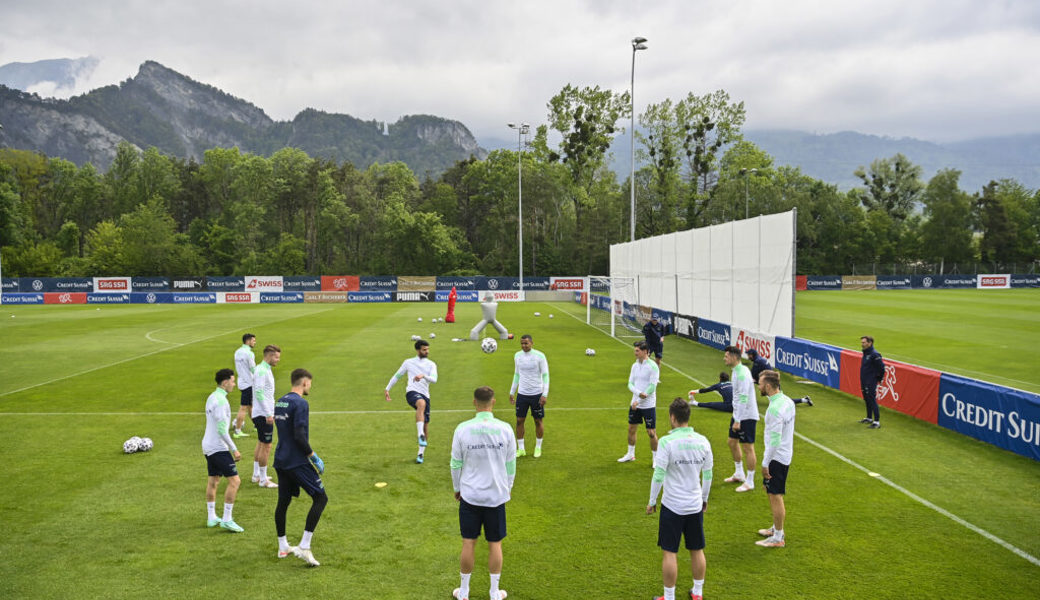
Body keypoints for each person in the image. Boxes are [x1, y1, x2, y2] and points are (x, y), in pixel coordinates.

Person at [451, 386, 516, 600]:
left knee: (468, 542)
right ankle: (494, 593)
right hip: (496, 496)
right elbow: (510, 465)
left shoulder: (462, 429)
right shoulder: (505, 429)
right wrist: (507, 488)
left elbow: (455, 463)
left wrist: (457, 488)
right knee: (495, 543)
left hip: (470, 496)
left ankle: (464, 592)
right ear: (493, 402)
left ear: (474, 403)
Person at [647, 398, 713, 600]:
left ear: (672, 417)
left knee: (669, 552)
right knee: (697, 549)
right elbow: (708, 474)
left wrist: (652, 501)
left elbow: (659, 475)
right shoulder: (703, 441)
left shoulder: (666, 442)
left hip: (672, 506)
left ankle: (669, 597)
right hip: (694, 505)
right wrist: (704, 499)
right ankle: (698, 593)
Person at [273, 368, 327, 566]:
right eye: (310, 383)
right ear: (304, 382)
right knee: (320, 498)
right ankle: (304, 546)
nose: (310, 386)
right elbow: (299, 435)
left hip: (281, 458)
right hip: (296, 461)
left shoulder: (280, 401)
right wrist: (313, 456)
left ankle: (283, 546)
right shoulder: (301, 403)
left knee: (283, 501)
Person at [755, 369, 795, 548]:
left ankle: (778, 537)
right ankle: (776, 528)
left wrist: (765, 463)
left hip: (776, 458)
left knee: (775, 495)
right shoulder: (787, 401)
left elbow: (775, 440)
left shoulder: (774, 409)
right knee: (771, 492)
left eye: (760, 384)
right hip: (785, 454)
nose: (758, 387)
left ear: (768, 386)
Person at [203, 368, 244, 533]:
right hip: (218, 447)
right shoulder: (221, 401)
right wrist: (234, 449)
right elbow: (221, 430)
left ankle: (212, 517)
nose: (234, 384)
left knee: (214, 481)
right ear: (225, 382)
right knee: (235, 481)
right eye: (233, 381)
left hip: (207, 446)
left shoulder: (212, 397)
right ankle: (227, 519)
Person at [385, 339, 438, 464]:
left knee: (426, 425)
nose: (427, 351)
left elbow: (434, 379)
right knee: (421, 403)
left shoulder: (431, 364)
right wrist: (387, 388)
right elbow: (397, 375)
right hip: (412, 392)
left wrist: (423, 376)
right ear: (418, 350)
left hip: (426, 394)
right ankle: (420, 434)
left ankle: (420, 454)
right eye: (424, 350)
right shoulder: (408, 362)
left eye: (428, 349)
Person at [618, 340, 661, 465]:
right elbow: (630, 384)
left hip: (648, 405)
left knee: (651, 433)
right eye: (635, 350)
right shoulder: (634, 366)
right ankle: (630, 454)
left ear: (645, 351)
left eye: (637, 350)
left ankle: (656, 459)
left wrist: (639, 400)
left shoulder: (653, 367)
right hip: (635, 404)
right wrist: (637, 397)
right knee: (631, 429)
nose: (635, 353)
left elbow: (652, 387)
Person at [508, 334, 549, 458]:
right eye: (522, 343)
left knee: (538, 421)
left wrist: (544, 394)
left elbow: (545, 375)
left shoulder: (540, 356)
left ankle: (538, 447)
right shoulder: (517, 356)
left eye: (526, 343)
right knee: (519, 420)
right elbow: (516, 374)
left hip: (537, 394)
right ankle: (521, 449)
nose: (524, 346)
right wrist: (512, 392)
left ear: (531, 343)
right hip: (522, 394)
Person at [724, 345, 759, 492]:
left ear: (734, 357)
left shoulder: (742, 374)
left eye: (726, 356)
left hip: (747, 416)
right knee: (732, 442)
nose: (724, 358)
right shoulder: (736, 371)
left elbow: (744, 397)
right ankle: (739, 473)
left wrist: (738, 420)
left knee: (748, 447)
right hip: (738, 414)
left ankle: (750, 481)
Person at [251, 344, 281, 488]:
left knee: (261, 443)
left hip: (261, 412)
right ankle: (263, 480)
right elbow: (259, 392)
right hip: (263, 414)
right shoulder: (262, 370)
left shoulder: (264, 369)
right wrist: (269, 413)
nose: (278, 360)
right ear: (269, 356)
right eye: (277, 357)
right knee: (267, 446)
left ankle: (256, 474)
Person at [746, 349, 813, 406]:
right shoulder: (760, 359)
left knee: (783, 402)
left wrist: (755, 381)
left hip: (771, 384)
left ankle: (804, 400)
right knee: (781, 401)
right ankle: (804, 400)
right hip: (771, 382)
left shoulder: (757, 362)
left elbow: (752, 375)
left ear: (752, 355)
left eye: (749, 355)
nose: (748, 356)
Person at [233, 333, 257, 438]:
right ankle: (237, 431)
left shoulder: (237, 352)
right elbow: (253, 369)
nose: (255, 342)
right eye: (253, 340)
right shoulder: (249, 354)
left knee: (250, 406)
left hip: (241, 382)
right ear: (248, 341)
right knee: (243, 407)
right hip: (248, 383)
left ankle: (256, 425)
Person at [859, 336, 885, 429]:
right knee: (866, 399)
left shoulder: (875, 354)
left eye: (864, 342)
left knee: (872, 399)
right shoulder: (866, 353)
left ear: (869, 343)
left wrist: (879, 378)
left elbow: (882, 368)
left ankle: (877, 422)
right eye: (862, 342)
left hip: (870, 381)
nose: (862, 344)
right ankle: (869, 417)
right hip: (864, 380)